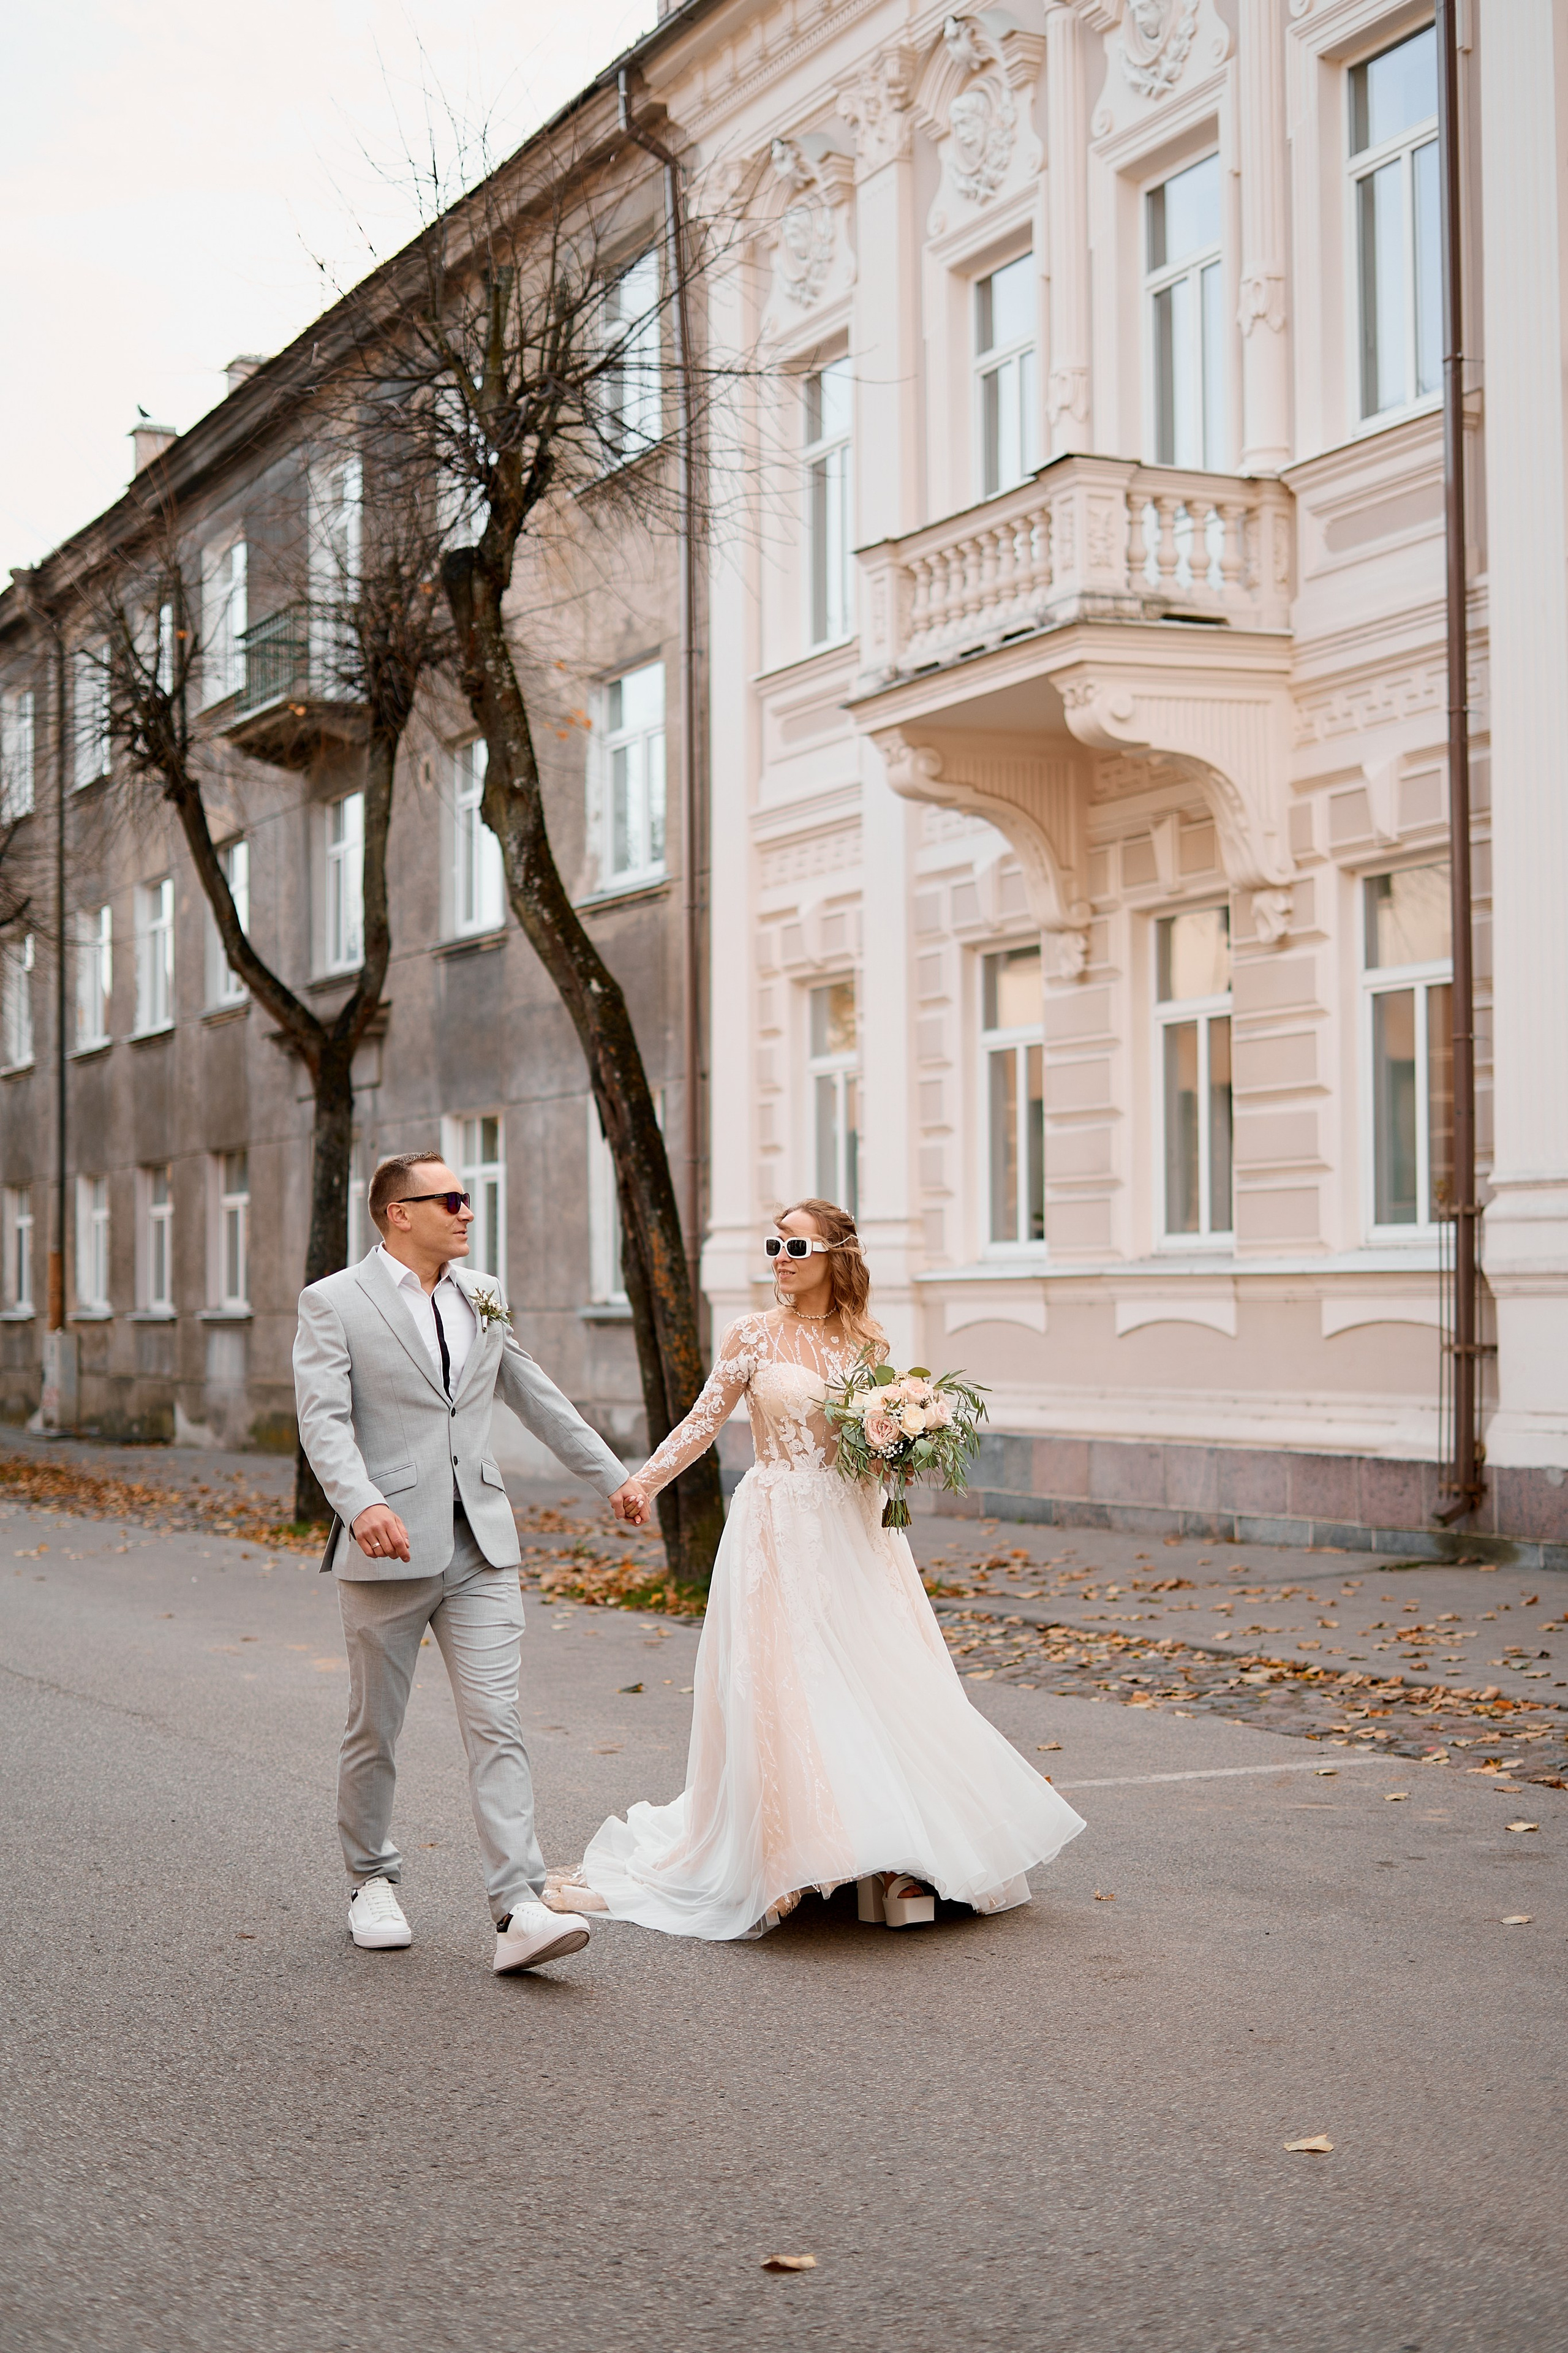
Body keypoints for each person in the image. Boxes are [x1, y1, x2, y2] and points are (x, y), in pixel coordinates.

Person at [543, 1198, 1085, 1940]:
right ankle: (791, 1856)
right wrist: (644, 1481)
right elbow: (703, 1422)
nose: (780, 1257)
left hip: (856, 1530)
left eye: (795, 1244)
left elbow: (873, 1440)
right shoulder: (752, 1335)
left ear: (836, 1254)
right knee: (787, 1684)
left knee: (877, 1677)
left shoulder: (867, 1341)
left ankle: (893, 1856)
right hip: (777, 1526)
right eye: (773, 1243)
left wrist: (907, 1443)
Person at [292, 1148, 649, 1974]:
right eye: (450, 1198)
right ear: (398, 1213)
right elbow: (323, 1421)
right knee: (375, 1726)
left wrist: (617, 1478)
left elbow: (535, 1394)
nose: (466, 1211)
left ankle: (520, 1904)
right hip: (390, 1544)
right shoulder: (334, 1302)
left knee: (498, 1720)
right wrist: (363, 1502)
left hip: (482, 1543)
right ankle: (371, 1881)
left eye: (468, 1197)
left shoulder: (482, 1294)